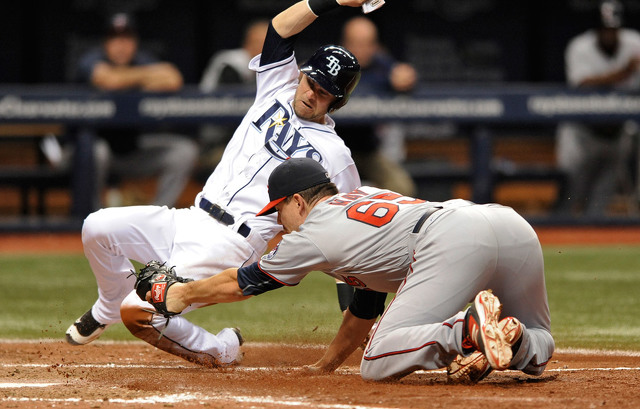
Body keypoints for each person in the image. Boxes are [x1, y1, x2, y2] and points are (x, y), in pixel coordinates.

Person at [64, 0, 383, 367]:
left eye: (325, 93)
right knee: (97, 227)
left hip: (232, 242)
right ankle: (109, 302)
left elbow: (343, 232)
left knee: (140, 311)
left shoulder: (335, 155)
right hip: (191, 217)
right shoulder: (278, 88)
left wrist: (350, 308)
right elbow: (280, 30)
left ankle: (219, 349)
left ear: (336, 102)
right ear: (301, 74)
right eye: (311, 82)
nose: (312, 94)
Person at [142, 157, 555, 382]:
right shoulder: (364, 196)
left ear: (299, 202)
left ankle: (463, 331)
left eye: (279, 209)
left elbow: (241, 283)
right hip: (510, 225)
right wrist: (327, 365)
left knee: (376, 363)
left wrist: (177, 294)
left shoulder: (310, 234)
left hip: (454, 237)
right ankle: (513, 339)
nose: (279, 221)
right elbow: (366, 304)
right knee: (537, 351)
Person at [70, 12, 199, 208]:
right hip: (83, 151)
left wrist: (126, 78)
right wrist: (144, 79)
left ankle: (157, 217)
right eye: (114, 38)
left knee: (184, 151)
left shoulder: (141, 59)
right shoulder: (91, 59)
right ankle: (94, 216)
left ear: (135, 41)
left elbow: (173, 78)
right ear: (105, 42)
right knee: (98, 152)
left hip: (131, 150)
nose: (121, 45)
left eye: (127, 38)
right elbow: (109, 80)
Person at [558, 0, 640, 216]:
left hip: (617, 132)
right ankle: (562, 239)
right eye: (604, 30)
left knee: (600, 201)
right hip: (583, 133)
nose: (609, 34)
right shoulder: (580, 46)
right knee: (572, 193)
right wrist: (624, 73)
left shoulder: (634, 42)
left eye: (613, 29)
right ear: (596, 29)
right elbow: (582, 83)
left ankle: (589, 236)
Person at [337, 15, 417, 197]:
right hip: (333, 151)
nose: (362, 49)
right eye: (356, 43)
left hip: (367, 152)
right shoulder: (332, 62)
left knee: (402, 187)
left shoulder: (381, 64)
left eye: (368, 43)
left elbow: (404, 75)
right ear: (344, 43)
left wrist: (406, 77)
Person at [197, 19, 270, 170]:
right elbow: (235, 103)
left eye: (268, 42)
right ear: (246, 43)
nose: (263, 47)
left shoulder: (274, 66)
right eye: (258, 42)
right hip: (217, 138)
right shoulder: (230, 62)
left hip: (248, 137)